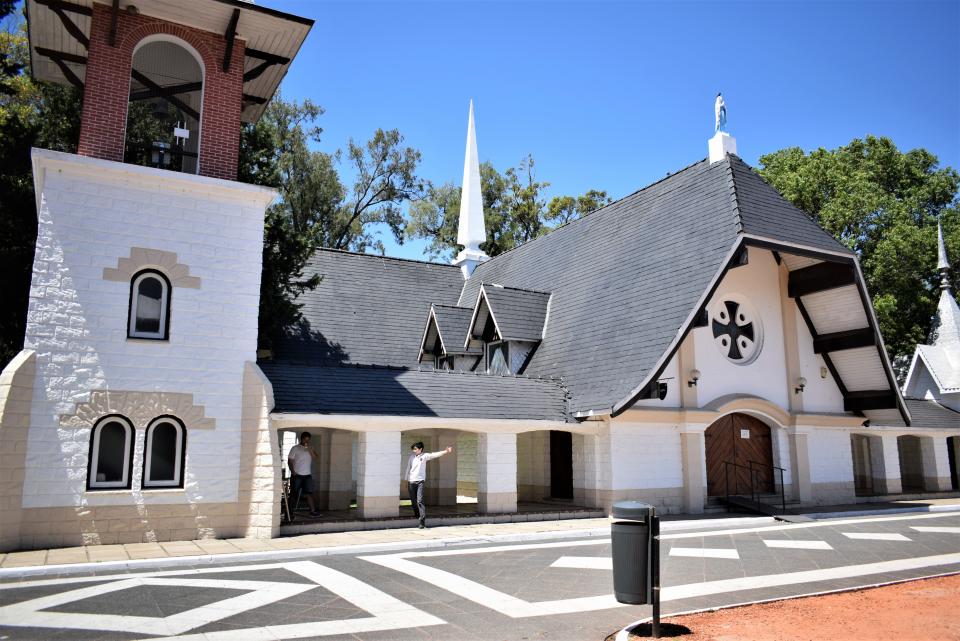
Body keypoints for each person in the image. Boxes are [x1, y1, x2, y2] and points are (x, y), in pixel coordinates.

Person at [404, 441, 453, 529]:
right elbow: (408, 468)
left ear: (420, 449)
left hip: (420, 482)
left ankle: (422, 521)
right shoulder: (411, 457)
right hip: (411, 481)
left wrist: (445, 451)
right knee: (413, 501)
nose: (414, 451)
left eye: (415, 449)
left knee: (420, 500)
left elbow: (434, 455)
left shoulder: (424, 456)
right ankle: (417, 514)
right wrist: (405, 481)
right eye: (413, 449)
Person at [287, 431, 320, 517]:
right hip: (297, 475)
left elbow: (316, 458)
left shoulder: (310, 448)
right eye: (305, 439)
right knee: (294, 494)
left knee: (309, 493)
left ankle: (313, 511)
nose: (306, 441)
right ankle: (289, 512)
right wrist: (293, 471)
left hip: (307, 475)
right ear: (301, 439)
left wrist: (310, 450)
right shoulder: (295, 448)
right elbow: (290, 461)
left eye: (308, 440)